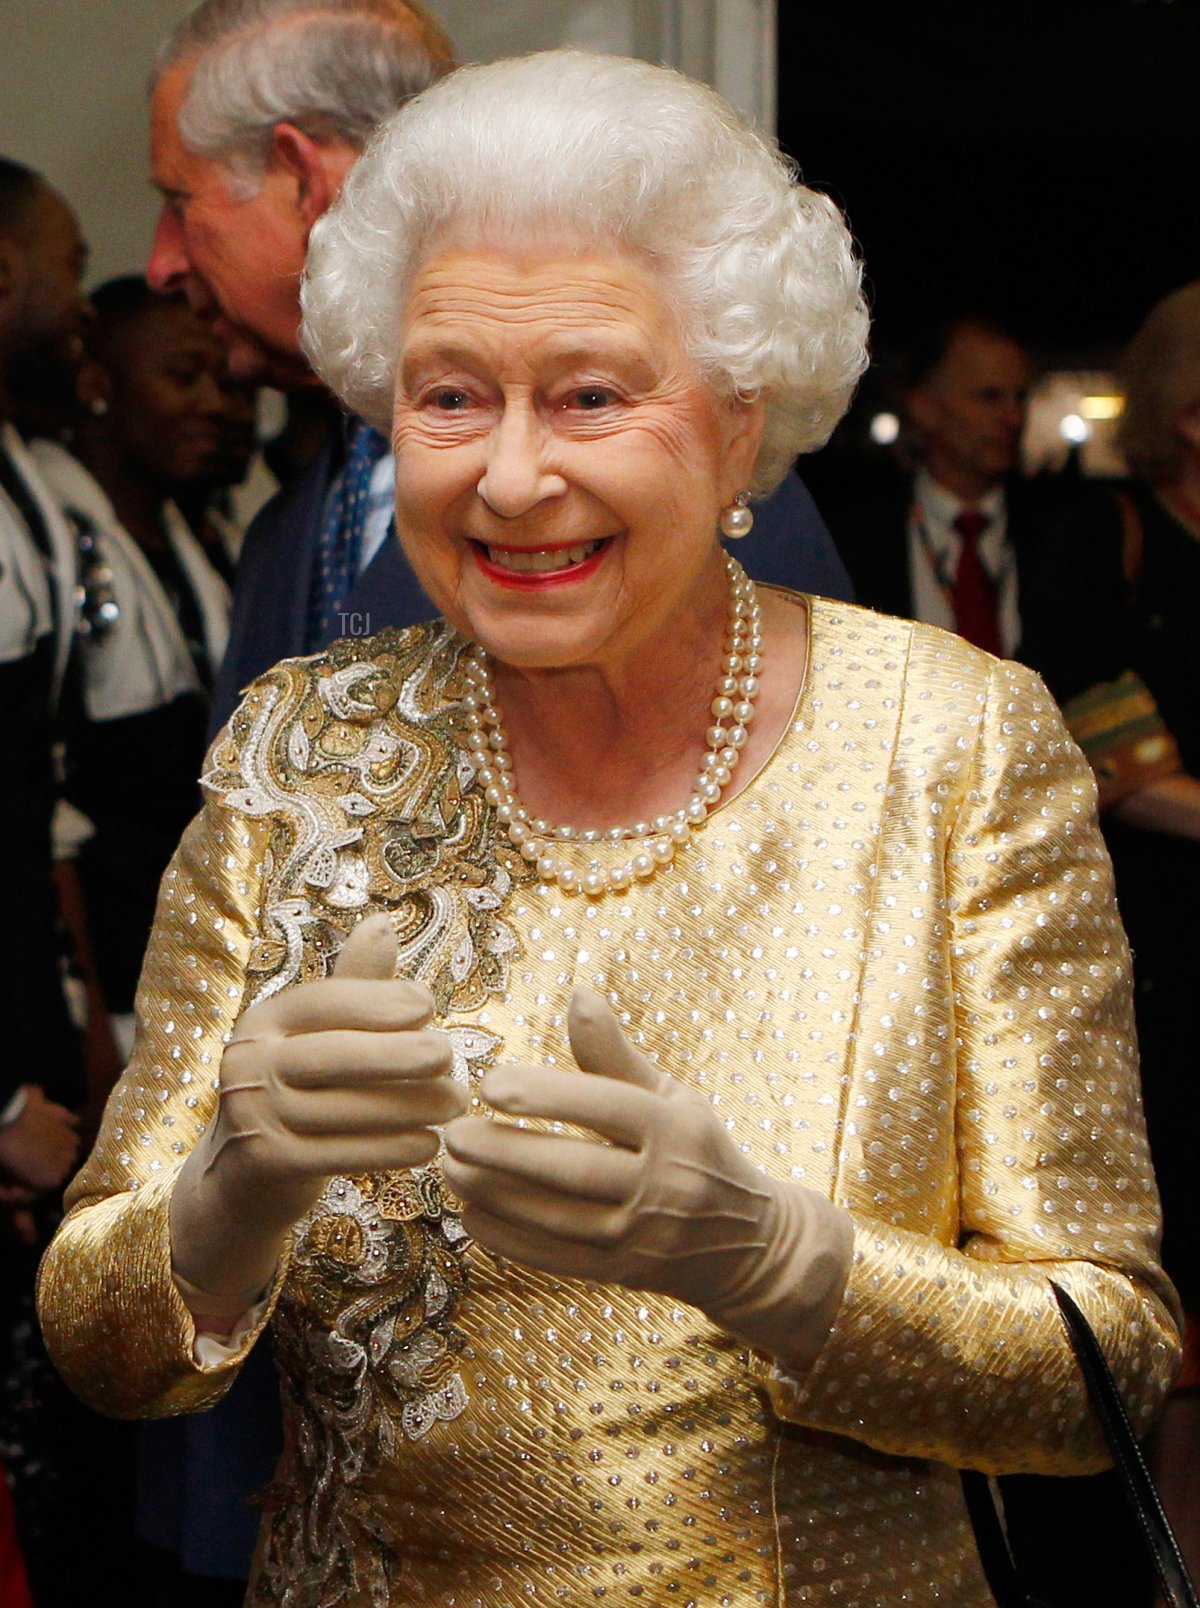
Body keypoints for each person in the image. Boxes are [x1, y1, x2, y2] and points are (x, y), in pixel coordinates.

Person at [39, 54, 1179, 1607]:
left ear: (735, 423)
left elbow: (1103, 1371)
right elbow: (101, 1352)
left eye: (590, 393)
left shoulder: (955, 746)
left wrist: (774, 1264)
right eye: (451, 395)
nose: (512, 478)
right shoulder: (301, 750)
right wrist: (227, 1193)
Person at [147, 0, 854, 741]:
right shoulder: (290, 523)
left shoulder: (707, 515)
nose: (158, 263)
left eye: (588, 397)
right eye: (452, 397)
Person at [1020, 280, 1200, 1594]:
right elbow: (1119, 768)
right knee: (1171, 1295)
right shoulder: (1105, 540)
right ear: (1186, 412)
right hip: (1160, 962)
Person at [28, 276, 234, 1061]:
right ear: (98, 385)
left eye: (219, 376)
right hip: (107, 992)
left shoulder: (201, 539)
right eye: (183, 376)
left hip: (194, 974)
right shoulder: (61, 553)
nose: (213, 402)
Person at [830, 316, 1049, 655]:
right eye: (989, 397)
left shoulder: (1060, 534)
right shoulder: (857, 538)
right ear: (925, 407)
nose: (1014, 418)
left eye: (1020, 397)